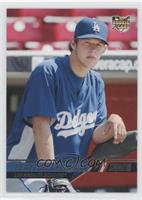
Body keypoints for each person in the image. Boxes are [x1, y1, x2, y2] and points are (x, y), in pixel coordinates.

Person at [7, 17, 137, 192]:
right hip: (23, 171)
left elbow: (96, 134)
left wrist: (114, 121)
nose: (92, 48)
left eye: (98, 44)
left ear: (105, 49)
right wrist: (52, 176)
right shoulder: (48, 72)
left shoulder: (96, 82)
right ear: (74, 44)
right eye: (87, 42)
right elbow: (40, 126)